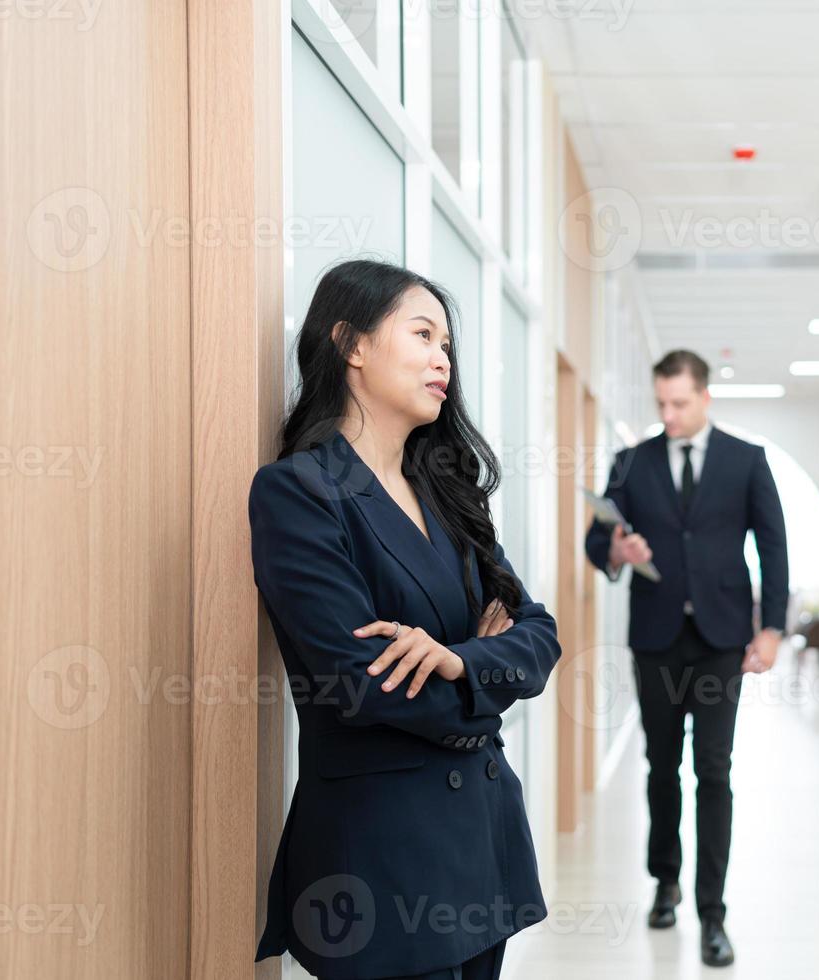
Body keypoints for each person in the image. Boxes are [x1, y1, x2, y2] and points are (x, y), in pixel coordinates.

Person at [250, 259, 560, 980]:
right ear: (351, 344)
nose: (441, 359)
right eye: (422, 335)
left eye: (447, 345)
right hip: (381, 862)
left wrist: (454, 661)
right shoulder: (300, 491)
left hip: (482, 840)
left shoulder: (445, 490)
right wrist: (486, 677)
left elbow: (539, 637)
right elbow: (360, 686)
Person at [583, 350, 789, 967]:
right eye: (661, 404)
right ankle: (665, 880)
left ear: (704, 397)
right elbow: (598, 540)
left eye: (679, 403)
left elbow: (774, 545)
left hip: (722, 641)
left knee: (715, 771)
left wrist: (774, 627)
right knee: (661, 766)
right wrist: (616, 549)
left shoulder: (746, 461)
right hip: (656, 637)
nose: (668, 415)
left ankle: (713, 912)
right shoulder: (632, 462)